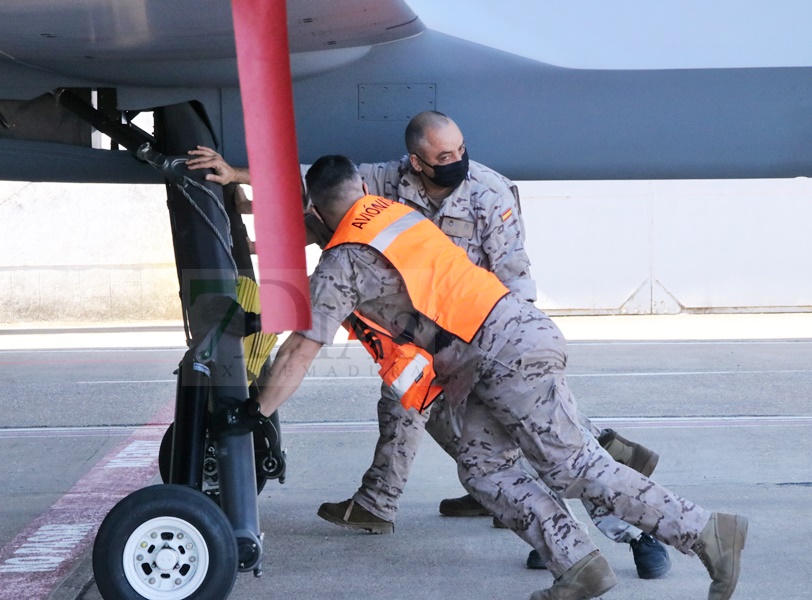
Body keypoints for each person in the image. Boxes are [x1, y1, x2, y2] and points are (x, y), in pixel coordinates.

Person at [218, 155, 748, 600]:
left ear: (316, 209)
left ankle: (706, 530)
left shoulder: (344, 258)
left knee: (570, 466)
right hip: (489, 352)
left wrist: (252, 413)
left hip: (500, 353)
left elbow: (300, 352)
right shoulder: (393, 213)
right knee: (483, 467)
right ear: (360, 187)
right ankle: (577, 564)